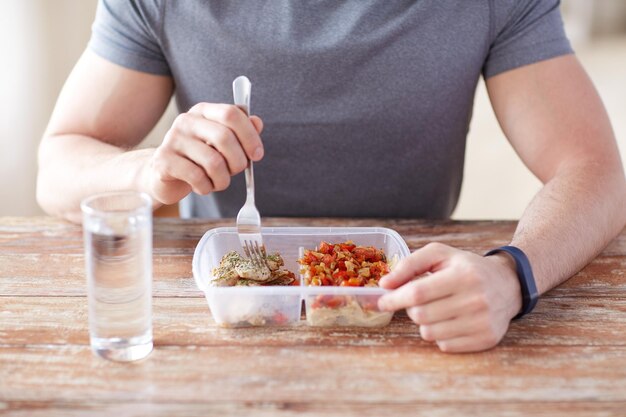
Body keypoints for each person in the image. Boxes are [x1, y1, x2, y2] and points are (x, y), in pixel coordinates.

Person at [37, 0, 626, 352]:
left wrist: (512, 273)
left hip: (407, 321)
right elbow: (58, 165)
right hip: (232, 318)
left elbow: (596, 171)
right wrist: (149, 170)